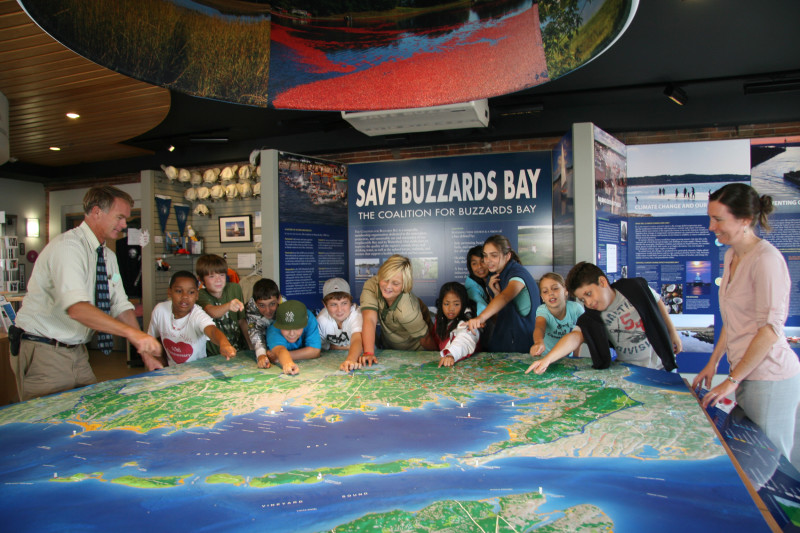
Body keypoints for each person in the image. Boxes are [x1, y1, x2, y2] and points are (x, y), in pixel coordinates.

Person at [11, 185, 161, 400]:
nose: (124, 225)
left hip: (77, 351)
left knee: (90, 412)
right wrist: (133, 333)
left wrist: (145, 353)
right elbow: (78, 309)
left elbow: (120, 303)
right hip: (45, 349)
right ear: (97, 212)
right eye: (119, 217)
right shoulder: (68, 248)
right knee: (51, 425)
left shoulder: (108, 256)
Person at [692, 183, 800, 464]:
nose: (711, 226)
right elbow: (733, 318)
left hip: (770, 378)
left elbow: (770, 330)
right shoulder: (731, 255)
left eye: (718, 219)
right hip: (745, 375)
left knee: (774, 464)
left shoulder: (766, 260)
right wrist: (714, 362)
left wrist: (731, 380)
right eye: (710, 218)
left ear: (744, 220)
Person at [526, 262, 681, 375]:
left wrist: (672, 332)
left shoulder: (634, 288)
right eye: (582, 299)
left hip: (662, 365)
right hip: (629, 370)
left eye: (588, 294)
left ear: (602, 282)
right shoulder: (592, 316)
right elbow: (574, 337)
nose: (589, 303)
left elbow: (657, 300)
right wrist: (547, 360)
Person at [466, 235, 540, 352]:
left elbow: (505, 297)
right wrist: (495, 293)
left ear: (507, 256)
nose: (488, 260)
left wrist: (480, 318)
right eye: (485, 256)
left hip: (522, 343)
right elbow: (498, 314)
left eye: (494, 255)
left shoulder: (517, 274)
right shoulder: (496, 276)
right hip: (505, 341)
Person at [147, 270, 236, 366]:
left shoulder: (198, 315)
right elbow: (152, 339)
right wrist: (160, 364)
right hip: (172, 372)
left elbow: (212, 331)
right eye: (179, 291)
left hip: (197, 372)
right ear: (169, 292)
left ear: (197, 295)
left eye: (191, 292)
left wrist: (224, 344)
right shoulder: (160, 310)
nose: (185, 296)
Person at [360, 254, 436, 365]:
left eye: (395, 283)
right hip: (388, 349)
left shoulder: (407, 311)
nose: (388, 287)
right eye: (385, 280)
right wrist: (368, 353)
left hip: (414, 354)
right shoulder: (371, 285)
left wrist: (438, 355)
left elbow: (425, 339)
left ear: (405, 285)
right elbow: (369, 319)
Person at [196, 254, 250, 355]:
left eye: (222, 275)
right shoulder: (200, 295)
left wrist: (251, 346)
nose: (218, 280)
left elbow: (241, 321)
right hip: (214, 355)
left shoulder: (235, 288)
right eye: (212, 276)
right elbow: (211, 311)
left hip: (239, 351)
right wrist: (229, 306)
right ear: (201, 280)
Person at [529, 272, 584, 358]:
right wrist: (538, 342)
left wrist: (576, 357)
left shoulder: (576, 309)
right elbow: (539, 327)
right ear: (542, 297)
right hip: (545, 357)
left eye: (555, 288)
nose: (550, 293)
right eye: (545, 291)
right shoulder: (542, 310)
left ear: (565, 290)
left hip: (567, 358)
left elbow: (579, 335)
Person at [316, 278, 364, 372]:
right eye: (333, 304)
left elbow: (357, 340)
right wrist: (346, 347)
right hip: (332, 360)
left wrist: (350, 360)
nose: (339, 310)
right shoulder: (321, 320)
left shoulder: (356, 314)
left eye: (344, 303)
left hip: (361, 358)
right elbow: (318, 346)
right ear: (325, 305)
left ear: (351, 302)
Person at [266, 300, 321, 375]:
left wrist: (279, 358)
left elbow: (315, 351)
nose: (292, 333)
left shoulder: (309, 319)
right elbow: (280, 350)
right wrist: (288, 363)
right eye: (286, 328)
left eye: (297, 328)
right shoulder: (274, 329)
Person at [433, 282, 479, 367]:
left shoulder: (468, 321)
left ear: (463, 304)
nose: (451, 309)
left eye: (456, 304)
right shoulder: (440, 320)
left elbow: (465, 339)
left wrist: (451, 354)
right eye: (446, 304)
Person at [245, 278, 284, 369]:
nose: (268, 310)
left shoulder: (285, 306)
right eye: (262, 305)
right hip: (259, 339)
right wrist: (261, 355)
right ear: (255, 303)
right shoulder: (251, 309)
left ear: (278, 299)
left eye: (272, 304)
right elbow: (255, 332)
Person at [464, 245, 492, 315]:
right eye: (474, 264)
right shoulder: (471, 289)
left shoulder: (496, 277)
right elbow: (483, 311)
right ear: (470, 267)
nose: (479, 266)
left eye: (482, 261)